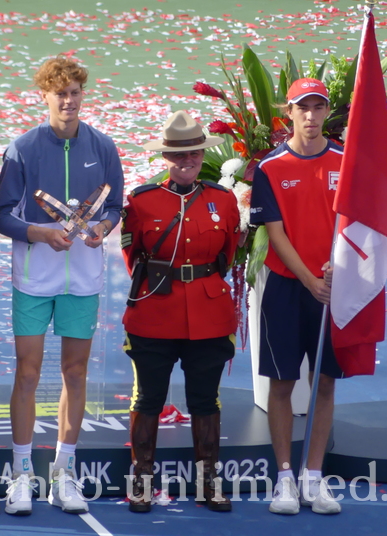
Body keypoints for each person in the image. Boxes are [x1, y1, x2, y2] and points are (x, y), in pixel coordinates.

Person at [0, 55, 124, 515]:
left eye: (75, 93)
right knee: (28, 374)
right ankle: (21, 475)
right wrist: (40, 234)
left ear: (83, 95)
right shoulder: (22, 148)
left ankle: (64, 473)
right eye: (60, 94)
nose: (69, 101)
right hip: (34, 279)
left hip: (82, 281)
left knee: (76, 373)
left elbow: (114, 207)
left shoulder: (103, 146)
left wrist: (102, 229)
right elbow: (3, 215)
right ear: (44, 96)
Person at [120, 110, 241, 513]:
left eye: (192, 153)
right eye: (177, 155)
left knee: (205, 399)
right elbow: (131, 255)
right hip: (155, 308)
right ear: (165, 159)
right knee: (148, 398)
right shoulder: (141, 201)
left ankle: (208, 481)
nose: (186, 161)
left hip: (208, 311)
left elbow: (227, 254)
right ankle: (141, 479)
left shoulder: (222, 200)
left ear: (201, 155)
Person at [249, 78, 344, 515]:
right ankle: (285, 478)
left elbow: (356, 224)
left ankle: (314, 477)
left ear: (327, 112)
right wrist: (310, 280)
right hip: (289, 287)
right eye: (302, 108)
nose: (310, 116)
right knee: (283, 383)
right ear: (288, 113)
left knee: (324, 383)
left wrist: (338, 273)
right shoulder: (270, 167)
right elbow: (274, 233)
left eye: (318, 107)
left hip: (334, 288)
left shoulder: (346, 161)